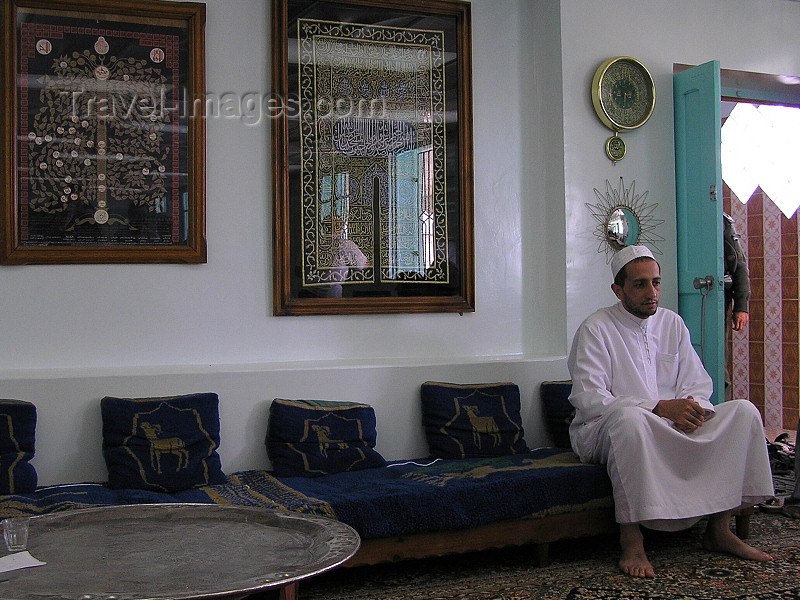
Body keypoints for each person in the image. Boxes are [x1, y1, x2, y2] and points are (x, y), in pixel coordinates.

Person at [567, 244, 774, 578]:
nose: (653, 292)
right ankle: (631, 540)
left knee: (744, 412)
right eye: (641, 284)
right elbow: (590, 399)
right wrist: (660, 408)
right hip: (609, 428)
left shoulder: (672, 323)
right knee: (630, 421)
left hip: (672, 424)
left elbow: (696, 382)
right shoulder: (596, 328)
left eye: (657, 282)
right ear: (617, 290)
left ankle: (719, 529)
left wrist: (693, 410)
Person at [723, 212, 750, 401]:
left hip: (717, 298)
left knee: (718, 359)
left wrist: (741, 306)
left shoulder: (721, 221)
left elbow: (739, 265)